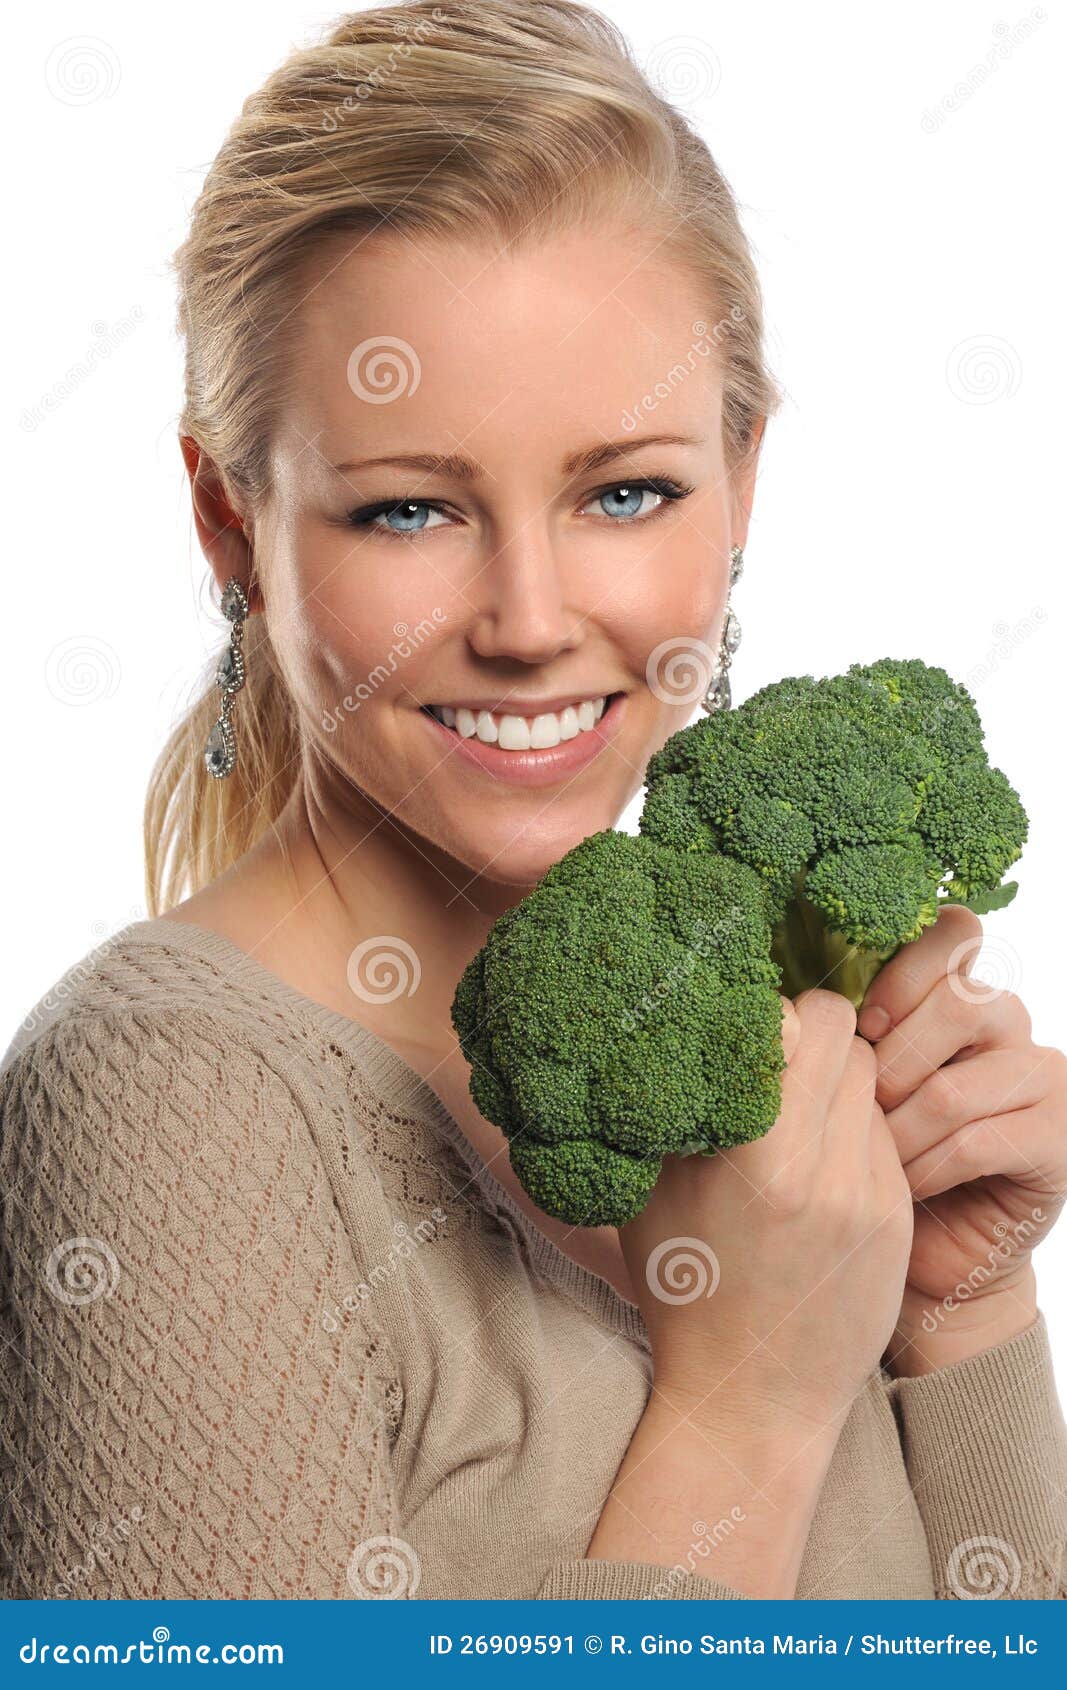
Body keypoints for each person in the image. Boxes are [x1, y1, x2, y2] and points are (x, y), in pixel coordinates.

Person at [2, 0, 1065, 1602]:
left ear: (744, 480)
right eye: (411, 507)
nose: (526, 617)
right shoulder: (167, 1104)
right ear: (230, 525)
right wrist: (749, 1406)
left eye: (626, 489)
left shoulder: (775, 1076)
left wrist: (957, 1310)